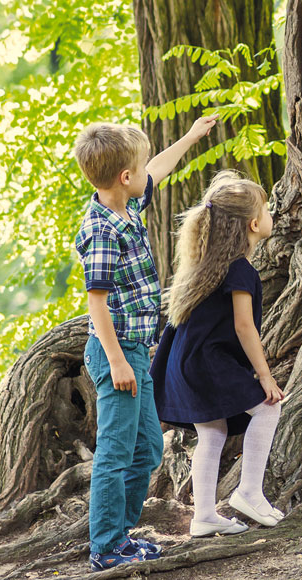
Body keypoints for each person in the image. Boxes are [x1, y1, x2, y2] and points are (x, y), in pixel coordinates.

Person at [74, 115, 218, 571]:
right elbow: (96, 303)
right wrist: (118, 362)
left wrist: (192, 137)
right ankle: (106, 547)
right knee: (116, 453)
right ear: (124, 177)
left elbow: (157, 167)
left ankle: (122, 532)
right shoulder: (103, 229)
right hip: (116, 355)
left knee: (148, 449)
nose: (147, 173)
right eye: (138, 168)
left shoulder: (126, 207)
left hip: (136, 350)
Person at [150, 170, 285, 538]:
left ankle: (205, 515)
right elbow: (245, 327)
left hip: (186, 363)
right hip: (206, 363)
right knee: (268, 406)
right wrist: (264, 376)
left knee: (212, 432)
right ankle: (249, 492)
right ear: (254, 223)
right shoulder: (239, 270)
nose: (272, 215)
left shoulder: (204, 266)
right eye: (268, 210)